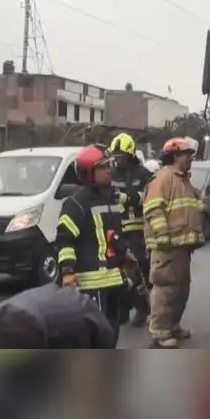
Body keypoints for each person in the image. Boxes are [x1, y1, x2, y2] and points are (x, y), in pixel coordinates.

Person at [55, 144, 129, 344]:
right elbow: (64, 239)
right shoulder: (76, 203)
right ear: (88, 172)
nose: (108, 170)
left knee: (112, 335)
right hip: (91, 284)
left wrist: (125, 254)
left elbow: (114, 234)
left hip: (114, 281)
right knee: (95, 338)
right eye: (102, 167)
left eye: (108, 165)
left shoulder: (112, 198)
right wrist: (68, 271)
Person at [143, 136, 204, 348]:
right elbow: (153, 208)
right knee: (166, 289)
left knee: (181, 289)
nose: (190, 159)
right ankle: (160, 331)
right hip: (167, 247)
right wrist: (163, 235)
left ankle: (172, 325)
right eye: (187, 155)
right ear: (175, 156)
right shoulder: (164, 178)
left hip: (181, 246)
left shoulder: (182, 178)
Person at [108, 132, 155, 328]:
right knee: (118, 270)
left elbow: (151, 197)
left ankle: (143, 308)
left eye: (121, 156)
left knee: (139, 270)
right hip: (117, 228)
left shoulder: (143, 174)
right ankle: (123, 309)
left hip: (138, 229)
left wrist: (131, 198)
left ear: (130, 154)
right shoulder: (112, 174)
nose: (118, 159)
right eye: (115, 156)